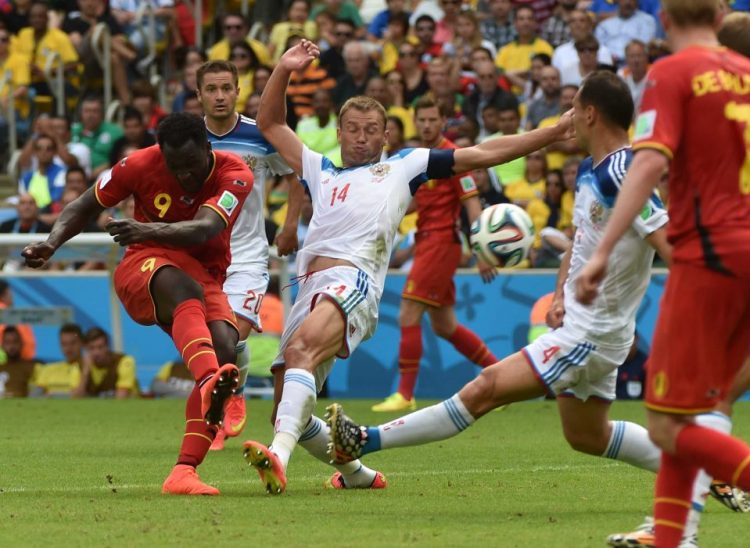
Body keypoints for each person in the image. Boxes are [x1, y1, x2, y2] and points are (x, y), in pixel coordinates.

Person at [325, 72, 710, 548]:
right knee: (587, 435)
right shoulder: (591, 170)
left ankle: (365, 439)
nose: (568, 117)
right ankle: (706, 471)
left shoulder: (622, 171)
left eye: (573, 108)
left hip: (593, 333)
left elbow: (666, 241)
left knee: (485, 389)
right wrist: (561, 294)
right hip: (584, 325)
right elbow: (581, 242)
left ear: (590, 114)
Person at [241, 38, 574, 495]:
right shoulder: (319, 169)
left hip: (354, 282)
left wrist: (553, 133)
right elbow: (270, 123)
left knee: (300, 353)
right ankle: (358, 474)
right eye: (352, 129)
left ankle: (278, 457)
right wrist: (282, 68)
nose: (361, 137)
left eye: (370, 130)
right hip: (310, 286)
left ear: (385, 137)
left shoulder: (404, 166)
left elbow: (483, 153)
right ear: (339, 133)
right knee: (286, 405)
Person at [576, 2, 750, 545]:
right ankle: (674, 539)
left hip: (710, 255)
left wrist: (603, 249)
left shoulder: (672, 73)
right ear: (718, 17)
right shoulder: (746, 73)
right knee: (697, 410)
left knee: (667, 424)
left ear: (665, 20)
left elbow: (648, 160)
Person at [21, 112, 253, 496]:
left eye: (191, 164)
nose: (185, 175)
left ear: (208, 148)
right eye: (175, 166)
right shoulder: (138, 164)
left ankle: (183, 472)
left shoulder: (236, 173)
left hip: (204, 272)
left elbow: (207, 227)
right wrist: (51, 242)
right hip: (144, 263)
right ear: (161, 155)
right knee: (187, 299)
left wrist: (145, 227)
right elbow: (84, 204)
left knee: (226, 347)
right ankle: (209, 380)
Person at [195, 60, 302, 451]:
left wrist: (289, 226)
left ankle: (229, 397)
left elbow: (296, 174)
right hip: (202, 255)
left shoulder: (260, 135)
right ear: (199, 95)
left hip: (248, 255)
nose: (220, 96)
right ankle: (221, 408)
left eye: (226, 88)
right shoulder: (190, 139)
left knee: (230, 334)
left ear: (238, 91)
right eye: (211, 89)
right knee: (212, 342)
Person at [372, 97, 498, 412]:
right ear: (415, 121)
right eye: (422, 120)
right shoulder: (420, 158)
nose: (427, 125)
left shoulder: (454, 158)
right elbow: (418, 202)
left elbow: (472, 205)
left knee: (408, 313)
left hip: (441, 243)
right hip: (428, 241)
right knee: (445, 326)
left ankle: (405, 395)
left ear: (443, 121)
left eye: (433, 120)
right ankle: (500, 376)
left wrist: (482, 251)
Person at [73, 327, 137, 398]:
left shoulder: (124, 361)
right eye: (91, 348)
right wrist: (85, 372)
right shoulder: (80, 366)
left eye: (100, 347)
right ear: (86, 349)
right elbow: (75, 398)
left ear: (107, 347)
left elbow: (121, 397)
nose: (96, 353)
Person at [35, 323, 84, 398]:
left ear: (82, 343)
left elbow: (83, 395)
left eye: (73, 343)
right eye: (64, 344)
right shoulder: (48, 369)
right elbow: (34, 396)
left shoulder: (87, 369)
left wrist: (53, 395)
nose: (68, 348)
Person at [0, 326, 39, 398]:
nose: (11, 346)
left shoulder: (32, 367)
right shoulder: (1, 368)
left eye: (15, 341)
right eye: (7, 342)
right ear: (2, 345)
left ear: (21, 343)